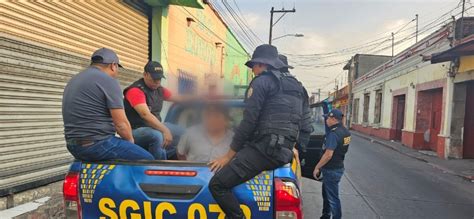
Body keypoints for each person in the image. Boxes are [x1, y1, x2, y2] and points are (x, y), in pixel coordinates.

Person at [208, 44, 313, 219]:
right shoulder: (299, 88)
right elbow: (306, 127)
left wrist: (227, 156)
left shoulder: (262, 82)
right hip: (283, 153)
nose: (253, 71)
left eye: (254, 66)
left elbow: (248, 123)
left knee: (217, 185)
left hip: (264, 151)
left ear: (263, 64)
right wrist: (294, 148)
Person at [63, 48, 154, 161]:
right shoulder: (108, 80)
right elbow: (121, 125)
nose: (116, 73)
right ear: (113, 65)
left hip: (72, 145)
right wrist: (131, 143)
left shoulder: (75, 79)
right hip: (97, 144)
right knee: (148, 160)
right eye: (117, 69)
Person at [123, 61, 185, 160]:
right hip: (135, 130)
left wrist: (201, 98)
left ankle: (166, 156)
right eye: (154, 79)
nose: (157, 82)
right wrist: (165, 130)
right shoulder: (135, 90)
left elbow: (178, 98)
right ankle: (159, 166)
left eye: (159, 79)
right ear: (145, 74)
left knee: (182, 131)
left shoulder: (159, 89)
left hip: (153, 127)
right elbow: (145, 115)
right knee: (157, 135)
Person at [313, 109, 351, 219]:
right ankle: (325, 215)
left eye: (328, 118)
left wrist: (317, 167)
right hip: (338, 167)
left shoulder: (334, 134)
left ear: (333, 119)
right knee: (327, 195)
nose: (326, 120)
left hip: (331, 170)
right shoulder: (345, 131)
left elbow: (328, 154)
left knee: (333, 198)